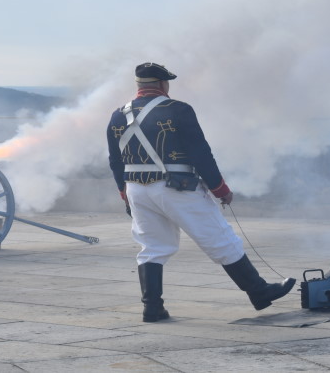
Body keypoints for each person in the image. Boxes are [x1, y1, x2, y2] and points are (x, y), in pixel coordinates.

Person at [107, 62, 295, 322]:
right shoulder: (178, 110)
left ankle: (152, 307)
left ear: (139, 85)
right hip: (177, 187)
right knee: (220, 239)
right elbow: (200, 153)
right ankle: (259, 292)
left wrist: (124, 193)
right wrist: (220, 189)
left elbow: (115, 161)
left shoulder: (118, 115)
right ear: (163, 84)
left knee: (152, 247)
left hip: (137, 189)